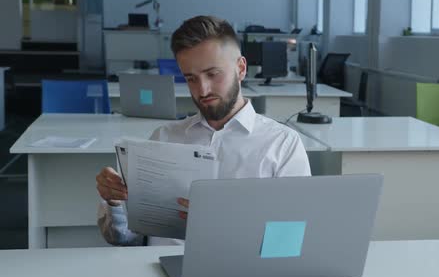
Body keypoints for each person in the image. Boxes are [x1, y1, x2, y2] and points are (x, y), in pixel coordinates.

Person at [96, 15, 311, 246]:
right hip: (158, 270)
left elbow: (292, 241)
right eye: (191, 78)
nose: (202, 90)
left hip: (242, 274)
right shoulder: (164, 138)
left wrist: (229, 220)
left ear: (240, 69)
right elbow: (122, 238)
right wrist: (114, 203)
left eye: (212, 74)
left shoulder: (282, 145)